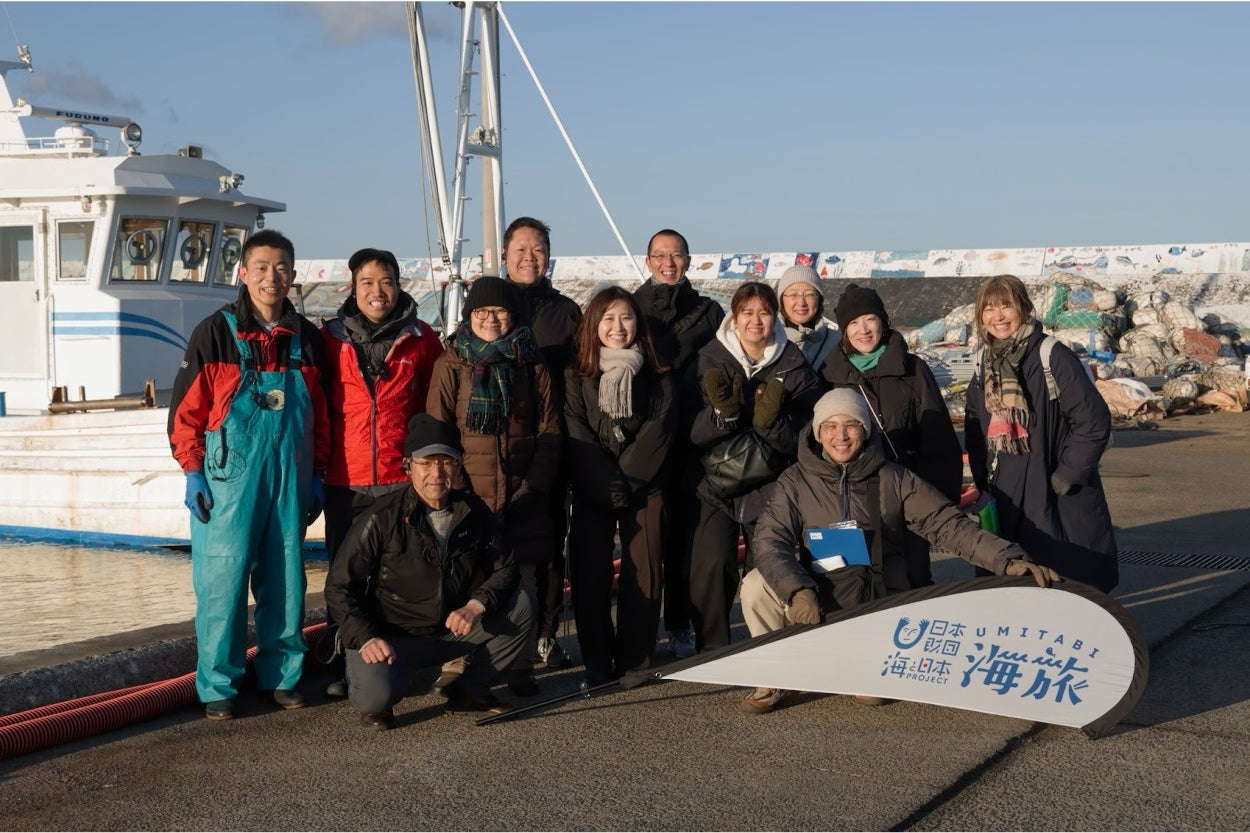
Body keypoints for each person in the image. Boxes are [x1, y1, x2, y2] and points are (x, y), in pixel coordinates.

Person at [738, 388, 1060, 714]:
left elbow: (948, 525)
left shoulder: (894, 478)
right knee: (754, 584)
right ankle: (773, 674)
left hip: (876, 593)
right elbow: (769, 540)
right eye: (830, 426)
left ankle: (868, 663)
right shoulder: (795, 481)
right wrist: (796, 590)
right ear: (818, 433)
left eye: (851, 425)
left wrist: (1007, 559)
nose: (841, 435)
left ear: (865, 430)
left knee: (869, 692)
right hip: (819, 591)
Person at [168, 229, 330, 720]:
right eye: (260, 267)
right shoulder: (213, 333)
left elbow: (321, 415)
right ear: (243, 273)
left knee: (286, 579)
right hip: (226, 481)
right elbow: (185, 413)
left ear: (293, 275)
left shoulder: (308, 339)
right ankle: (219, 683)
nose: (270, 276)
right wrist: (192, 471)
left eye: (281, 267)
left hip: (290, 477)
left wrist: (318, 472)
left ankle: (282, 675)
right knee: (223, 581)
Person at [323, 414, 533, 730]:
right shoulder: (381, 518)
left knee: (522, 606)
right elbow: (339, 585)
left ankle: (468, 691)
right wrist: (365, 638)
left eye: (446, 462)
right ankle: (383, 683)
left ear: (458, 466)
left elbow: (506, 568)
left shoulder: (473, 512)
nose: (436, 473)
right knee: (373, 701)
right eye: (426, 463)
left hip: (451, 632)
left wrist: (475, 606)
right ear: (409, 467)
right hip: (392, 637)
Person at [426, 275, 561, 695]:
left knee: (522, 577)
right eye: (481, 311)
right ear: (470, 315)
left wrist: (533, 486)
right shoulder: (452, 361)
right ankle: (457, 660)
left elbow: (550, 428)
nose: (490, 319)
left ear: (512, 315)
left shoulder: (531, 361)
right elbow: (439, 428)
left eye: (499, 311)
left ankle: (520, 664)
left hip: (522, 490)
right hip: (469, 493)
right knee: (466, 576)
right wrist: (459, 489)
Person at [319, 247, 444, 697]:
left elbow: (434, 409)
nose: (378, 291)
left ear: (399, 285)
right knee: (344, 574)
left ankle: (401, 659)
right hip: (344, 478)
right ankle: (343, 661)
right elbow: (317, 407)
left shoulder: (422, 339)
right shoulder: (328, 339)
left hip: (398, 475)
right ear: (353, 287)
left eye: (386, 281)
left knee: (398, 573)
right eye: (368, 282)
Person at [689, 281, 823, 652]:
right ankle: (712, 651)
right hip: (714, 485)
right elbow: (686, 429)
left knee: (768, 565)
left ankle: (771, 647)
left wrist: (771, 424)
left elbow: (808, 435)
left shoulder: (794, 365)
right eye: (746, 312)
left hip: (771, 485)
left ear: (775, 316)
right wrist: (722, 417)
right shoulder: (708, 360)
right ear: (734, 315)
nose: (755, 320)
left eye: (764, 312)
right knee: (712, 565)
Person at [964, 274, 1119, 592]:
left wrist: (1068, 474)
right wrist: (982, 482)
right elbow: (974, 423)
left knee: (1065, 584)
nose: (998, 316)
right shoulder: (985, 363)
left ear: (1024, 308)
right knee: (1012, 584)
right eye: (989, 309)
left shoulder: (1051, 356)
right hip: (1003, 494)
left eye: (1006, 306)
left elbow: (1093, 421)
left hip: (1052, 491)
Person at [565, 287, 676, 686]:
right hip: (593, 487)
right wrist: (604, 482)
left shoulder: (657, 373)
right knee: (590, 573)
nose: (617, 327)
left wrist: (626, 481)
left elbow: (658, 431)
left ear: (637, 323)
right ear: (594, 325)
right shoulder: (577, 374)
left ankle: (636, 658)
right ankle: (596, 660)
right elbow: (576, 429)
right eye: (608, 319)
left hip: (644, 487)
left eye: (626, 318)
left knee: (643, 570)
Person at [821, 283, 963, 588]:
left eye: (869, 319)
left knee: (913, 581)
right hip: (850, 498)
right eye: (853, 323)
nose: (863, 330)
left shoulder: (912, 369)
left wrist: (941, 503)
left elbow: (937, 437)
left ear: (883, 322)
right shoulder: (830, 376)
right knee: (851, 584)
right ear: (844, 331)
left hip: (907, 494)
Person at [632, 228, 725, 659]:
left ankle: (681, 623)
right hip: (645, 441)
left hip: (694, 440)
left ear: (689, 260)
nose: (668, 263)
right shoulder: (629, 309)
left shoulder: (709, 312)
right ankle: (642, 628)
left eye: (677, 255)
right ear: (647, 261)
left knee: (687, 540)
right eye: (660, 255)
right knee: (648, 540)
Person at [503, 216, 581, 676]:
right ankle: (502, 633)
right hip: (498, 447)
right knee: (500, 543)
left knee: (551, 544)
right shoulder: (489, 304)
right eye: (522, 249)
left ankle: (546, 634)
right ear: (505, 254)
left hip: (552, 444)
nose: (530, 258)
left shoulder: (565, 311)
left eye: (538, 250)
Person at [777, 265, 840, 374]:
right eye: (793, 294)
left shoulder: (837, 342)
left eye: (810, 294)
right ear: (781, 300)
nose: (801, 302)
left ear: (819, 300)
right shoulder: (769, 339)